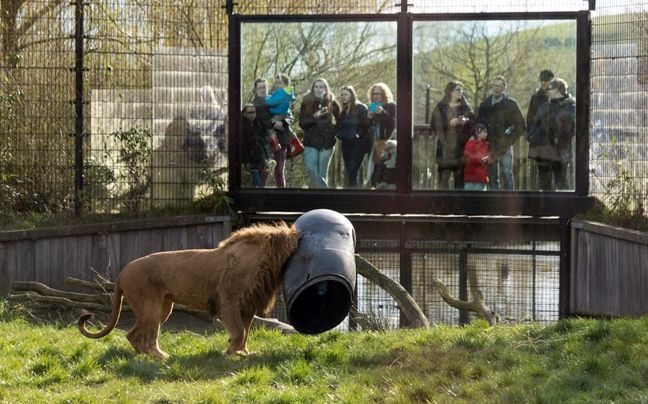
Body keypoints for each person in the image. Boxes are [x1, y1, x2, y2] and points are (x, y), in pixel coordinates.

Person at [476, 75, 525, 190]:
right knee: (492, 176)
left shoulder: (511, 104)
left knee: (506, 174)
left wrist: (509, 139)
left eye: (499, 86)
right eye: (494, 85)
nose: (496, 88)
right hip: (489, 145)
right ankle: (494, 203)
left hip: (505, 145)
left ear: (504, 88)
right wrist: (481, 137)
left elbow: (520, 125)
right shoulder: (485, 104)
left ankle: (508, 202)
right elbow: (478, 124)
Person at [527, 77, 576, 190]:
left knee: (561, 180)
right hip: (542, 149)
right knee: (544, 182)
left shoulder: (570, 107)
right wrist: (531, 137)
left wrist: (557, 137)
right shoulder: (544, 106)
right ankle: (545, 207)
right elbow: (534, 125)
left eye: (550, 88)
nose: (547, 91)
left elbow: (570, 129)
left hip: (560, 149)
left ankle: (564, 206)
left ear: (558, 89)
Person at [430, 81, 474, 190]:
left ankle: (458, 206)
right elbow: (434, 123)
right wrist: (449, 123)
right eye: (458, 90)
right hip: (445, 147)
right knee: (443, 180)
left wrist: (465, 121)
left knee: (459, 181)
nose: (461, 92)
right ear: (450, 92)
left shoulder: (465, 107)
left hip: (460, 147)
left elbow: (474, 122)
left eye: (461, 90)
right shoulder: (441, 107)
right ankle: (442, 205)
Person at [298, 78, 340, 188]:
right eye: (316, 87)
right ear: (313, 89)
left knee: (322, 174)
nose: (318, 89)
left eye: (321, 87)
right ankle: (328, 194)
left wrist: (332, 131)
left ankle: (318, 201)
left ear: (326, 89)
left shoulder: (332, 102)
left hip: (327, 143)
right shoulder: (306, 102)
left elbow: (341, 121)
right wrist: (314, 116)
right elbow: (302, 124)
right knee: (312, 170)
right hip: (310, 142)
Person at [252, 77, 292, 188]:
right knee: (265, 171)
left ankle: (283, 197)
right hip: (265, 142)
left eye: (264, 87)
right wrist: (273, 123)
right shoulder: (253, 105)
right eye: (260, 87)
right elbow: (258, 122)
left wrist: (282, 122)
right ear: (255, 89)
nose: (262, 89)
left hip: (281, 139)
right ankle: (260, 198)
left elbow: (289, 115)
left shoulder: (275, 99)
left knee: (279, 171)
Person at [337, 86, 370, 188]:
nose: (343, 97)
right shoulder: (343, 109)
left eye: (345, 94)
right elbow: (339, 125)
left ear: (352, 94)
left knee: (352, 170)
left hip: (358, 143)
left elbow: (366, 124)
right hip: (346, 144)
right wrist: (339, 134)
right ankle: (354, 193)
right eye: (342, 95)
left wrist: (358, 135)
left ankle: (355, 195)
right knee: (350, 172)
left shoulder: (361, 107)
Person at [365, 82, 396, 187]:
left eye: (378, 94)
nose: (375, 96)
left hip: (386, 141)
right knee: (374, 168)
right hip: (374, 142)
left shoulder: (391, 106)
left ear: (384, 94)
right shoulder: (373, 106)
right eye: (373, 94)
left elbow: (394, 123)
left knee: (383, 168)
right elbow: (367, 126)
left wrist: (382, 113)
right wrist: (368, 118)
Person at [240, 104, 270, 188]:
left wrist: (267, 156)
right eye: (249, 112)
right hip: (250, 157)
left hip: (260, 156)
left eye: (253, 112)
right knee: (256, 181)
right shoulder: (242, 126)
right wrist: (246, 161)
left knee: (261, 181)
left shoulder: (258, 124)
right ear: (244, 113)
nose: (252, 115)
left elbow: (264, 141)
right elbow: (242, 145)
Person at [463, 123, 492, 191]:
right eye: (484, 132)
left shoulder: (486, 145)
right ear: (478, 133)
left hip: (481, 177)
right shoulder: (470, 144)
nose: (486, 134)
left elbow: (489, 157)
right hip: (470, 176)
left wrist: (488, 160)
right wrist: (480, 159)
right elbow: (468, 156)